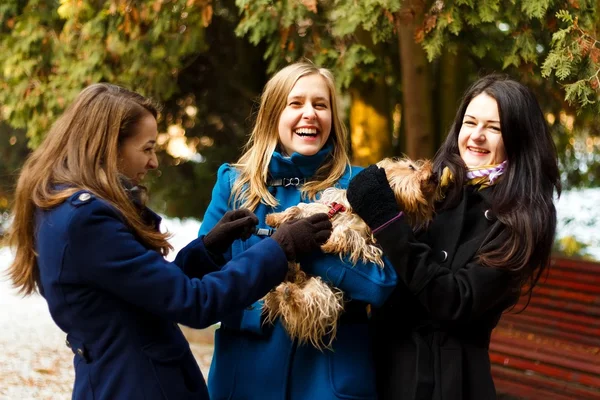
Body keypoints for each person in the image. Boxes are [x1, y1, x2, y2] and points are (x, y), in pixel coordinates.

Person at [6, 83, 333, 400]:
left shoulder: (60, 209)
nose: (154, 162)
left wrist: (208, 249)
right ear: (109, 147)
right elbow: (194, 303)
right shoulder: (88, 221)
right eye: (147, 148)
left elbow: (145, 293)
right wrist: (280, 247)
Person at [346, 74, 561, 400]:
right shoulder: (432, 188)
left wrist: (386, 219)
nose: (476, 136)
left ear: (518, 137)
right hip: (376, 366)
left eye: (494, 128)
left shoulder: (521, 220)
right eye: (470, 122)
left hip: (444, 382)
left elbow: (454, 300)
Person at [199, 61, 397, 399]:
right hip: (246, 378)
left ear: (332, 118)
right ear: (273, 114)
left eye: (320, 105)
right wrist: (268, 283)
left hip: (329, 379)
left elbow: (383, 284)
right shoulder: (234, 185)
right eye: (296, 103)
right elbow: (204, 286)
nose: (310, 114)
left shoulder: (363, 185)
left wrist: (314, 253)